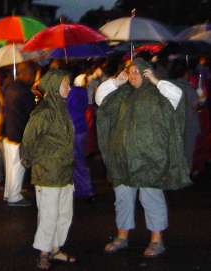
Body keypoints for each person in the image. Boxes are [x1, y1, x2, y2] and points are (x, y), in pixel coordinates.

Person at [96, 58, 191, 257]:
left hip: (150, 159)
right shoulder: (122, 94)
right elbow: (100, 99)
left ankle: (157, 240)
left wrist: (156, 81)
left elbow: (178, 97)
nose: (133, 76)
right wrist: (116, 82)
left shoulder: (159, 94)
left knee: (151, 198)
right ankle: (122, 236)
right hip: (123, 159)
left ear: (147, 73)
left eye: (138, 72)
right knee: (122, 199)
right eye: (130, 72)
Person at [20, 69, 76, 270]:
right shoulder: (44, 111)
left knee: (64, 214)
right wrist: (35, 163)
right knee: (49, 215)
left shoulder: (61, 108)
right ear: (54, 87)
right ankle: (44, 253)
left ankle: (55, 248)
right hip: (48, 173)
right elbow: (28, 140)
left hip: (64, 171)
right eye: (65, 84)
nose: (69, 88)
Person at [2, 62, 35, 207]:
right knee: (18, 166)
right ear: (24, 74)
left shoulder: (10, 88)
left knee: (10, 166)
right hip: (19, 132)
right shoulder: (24, 91)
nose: (32, 77)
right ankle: (14, 197)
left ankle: (9, 192)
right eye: (31, 74)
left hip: (9, 131)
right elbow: (31, 113)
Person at [67, 73, 95, 199]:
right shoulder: (83, 91)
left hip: (74, 130)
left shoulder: (71, 93)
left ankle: (84, 190)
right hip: (81, 129)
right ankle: (83, 189)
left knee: (77, 162)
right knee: (80, 161)